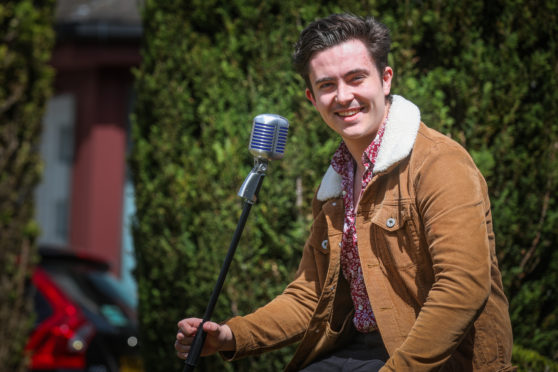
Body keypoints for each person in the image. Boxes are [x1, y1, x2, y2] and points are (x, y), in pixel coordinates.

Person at [175, 13, 514, 371]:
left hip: (439, 362)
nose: (343, 96)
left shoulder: (439, 163)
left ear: (385, 80)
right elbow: (309, 295)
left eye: (356, 78)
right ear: (312, 97)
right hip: (361, 351)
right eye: (326, 85)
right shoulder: (335, 184)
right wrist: (231, 335)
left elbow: (462, 287)